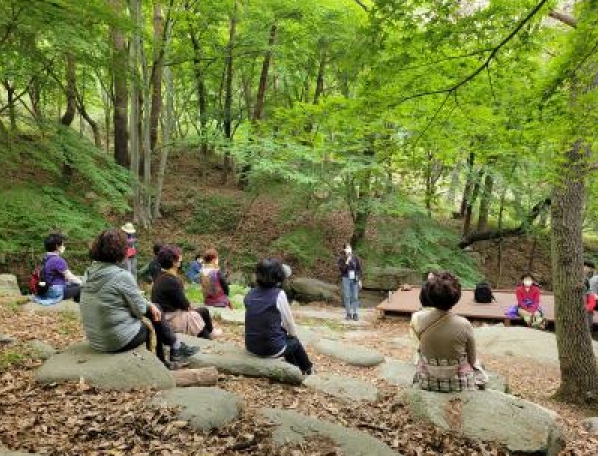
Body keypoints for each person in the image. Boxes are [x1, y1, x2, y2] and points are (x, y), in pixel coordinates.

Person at [79, 229, 199, 369]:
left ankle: (174, 347)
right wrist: (149, 306)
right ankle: (165, 358)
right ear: (121, 251)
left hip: (96, 339)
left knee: (154, 308)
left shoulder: (89, 272)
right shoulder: (121, 276)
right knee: (152, 319)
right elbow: (140, 310)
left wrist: (149, 305)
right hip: (116, 340)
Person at [410, 271, 487, 392]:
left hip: (427, 381)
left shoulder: (420, 319)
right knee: (479, 364)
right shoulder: (464, 324)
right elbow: (472, 360)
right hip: (458, 383)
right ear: (456, 297)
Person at [244, 258, 313, 375]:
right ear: (278, 277)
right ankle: (308, 369)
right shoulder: (279, 295)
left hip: (251, 346)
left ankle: (295, 369)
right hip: (270, 349)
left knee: (285, 339)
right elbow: (288, 322)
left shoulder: (250, 293)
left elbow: (257, 315)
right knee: (294, 342)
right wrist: (292, 335)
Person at [151, 245, 222, 339]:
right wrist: (190, 307)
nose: (181, 258)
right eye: (179, 257)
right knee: (200, 319)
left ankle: (209, 334)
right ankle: (209, 336)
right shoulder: (171, 281)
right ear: (174, 262)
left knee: (201, 314)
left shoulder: (160, 276)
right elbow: (185, 306)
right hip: (171, 320)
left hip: (164, 316)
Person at [33, 233, 82, 305]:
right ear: (57, 246)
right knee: (81, 287)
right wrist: (82, 283)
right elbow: (70, 277)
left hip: (45, 289)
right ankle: (76, 306)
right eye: (62, 244)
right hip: (55, 292)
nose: (63, 246)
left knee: (74, 283)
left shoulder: (45, 258)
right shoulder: (57, 260)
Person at [337, 243, 362, 321]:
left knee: (355, 296)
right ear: (344, 250)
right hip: (346, 279)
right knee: (347, 296)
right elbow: (342, 270)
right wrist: (347, 262)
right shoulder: (341, 259)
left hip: (354, 279)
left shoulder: (355, 258)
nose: (349, 249)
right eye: (347, 248)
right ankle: (348, 313)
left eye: (349, 248)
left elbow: (359, 270)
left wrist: (359, 280)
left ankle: (355, 314)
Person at [584, 260, 597, 331]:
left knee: (591, 305)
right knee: (590, 305)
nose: (590, 271)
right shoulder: (581, 277)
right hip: (586, 298)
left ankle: (589, 327)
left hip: (589, 298)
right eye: (590, 269)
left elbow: (589, 290)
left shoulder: (587, 278)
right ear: (585, 266)